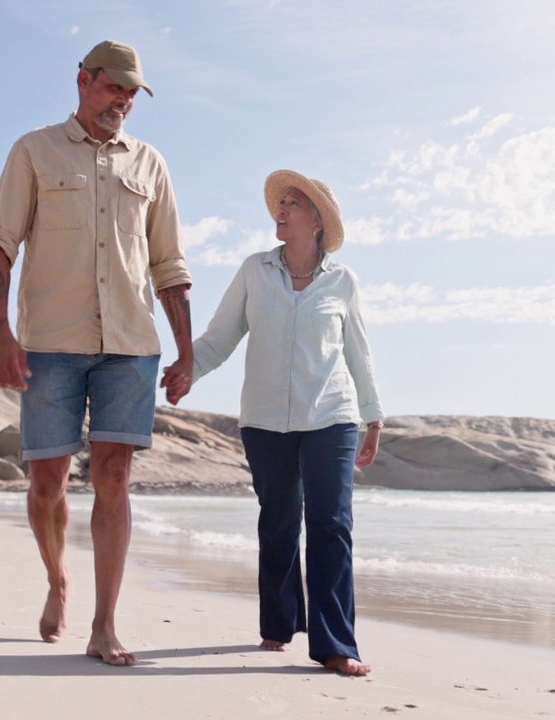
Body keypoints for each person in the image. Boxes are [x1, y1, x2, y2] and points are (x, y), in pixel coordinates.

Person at [0, 39, 193, 667]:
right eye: (113, 87)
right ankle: (57, 579)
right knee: (46, 482)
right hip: (50, 343)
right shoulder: (34, 151)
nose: (123, 101)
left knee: (113, 479)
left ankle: (104, 626)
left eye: (132, 92)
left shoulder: (151, 164)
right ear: (83, 81)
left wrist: (185, 352)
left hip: (129, 346)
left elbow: (169, 265)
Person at [162, 170, 383, 676]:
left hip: (332, 415)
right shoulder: (253, 271)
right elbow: (221, 336)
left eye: (293, 203)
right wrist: (187, 369)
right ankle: (279, 623)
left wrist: (372, 416)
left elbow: (359, 353)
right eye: (279, 202)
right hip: (264, 418)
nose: (280, 210)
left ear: (318, 220)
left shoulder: (343, 282)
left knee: (331, 524)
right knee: (279, 520)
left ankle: (335, 644)